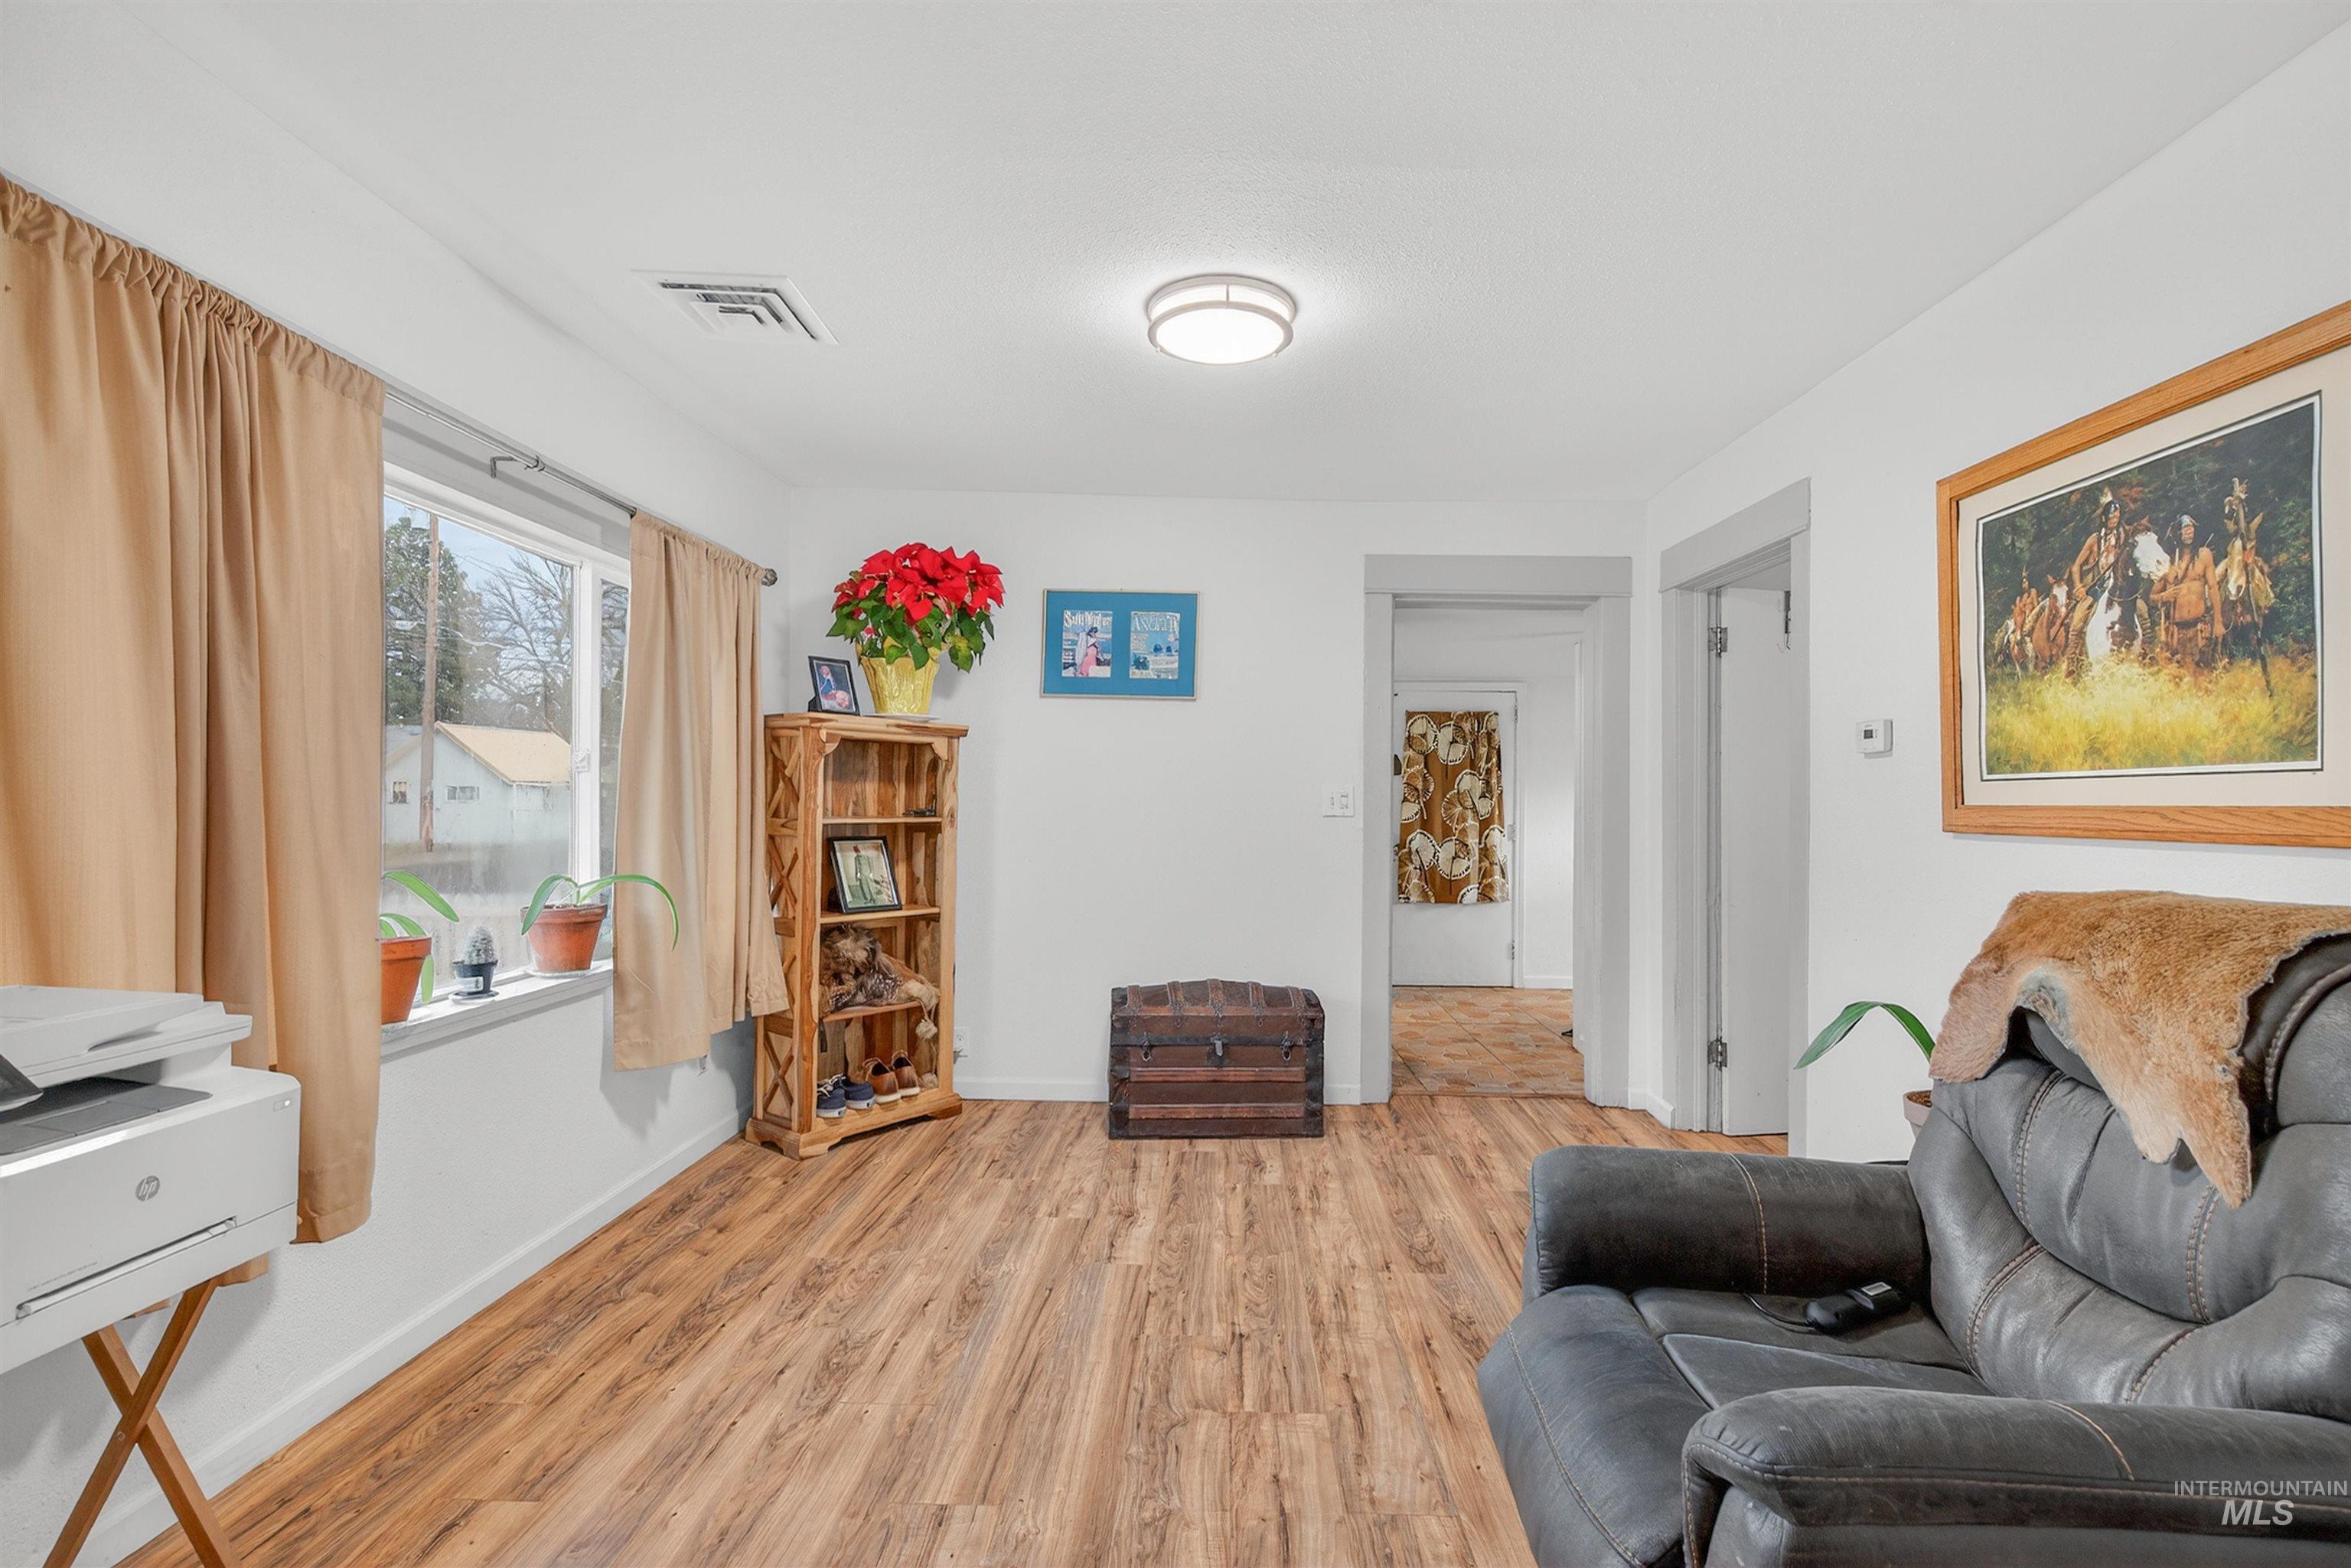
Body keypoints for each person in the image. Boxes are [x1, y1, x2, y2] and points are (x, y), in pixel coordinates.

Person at [2063, 488, 2128, 677]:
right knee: (2077, 625)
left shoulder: (2123, 537)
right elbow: (2076, 566)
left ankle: (2146, 654)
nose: (2115, 521)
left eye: (2117, 517)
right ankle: (2071, 667)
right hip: (2097, 589)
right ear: (2105, 519)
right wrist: (2079, 587)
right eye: (2112, 517)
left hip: (2119, 586)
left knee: (2142, 610)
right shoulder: (2095, 540)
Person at [2151, 514, 2222, 670]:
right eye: (2185, 529)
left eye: (2191, 528)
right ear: (2177, 534)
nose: (2189, 532)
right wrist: (2164, 596)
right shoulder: (2169, 562)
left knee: (2203, 675)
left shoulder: (2204, 555)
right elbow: (2152, 596)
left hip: (2199, 628)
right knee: (2177, 676)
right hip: (2176, 631)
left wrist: (2218, 622)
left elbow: (2213, 588)